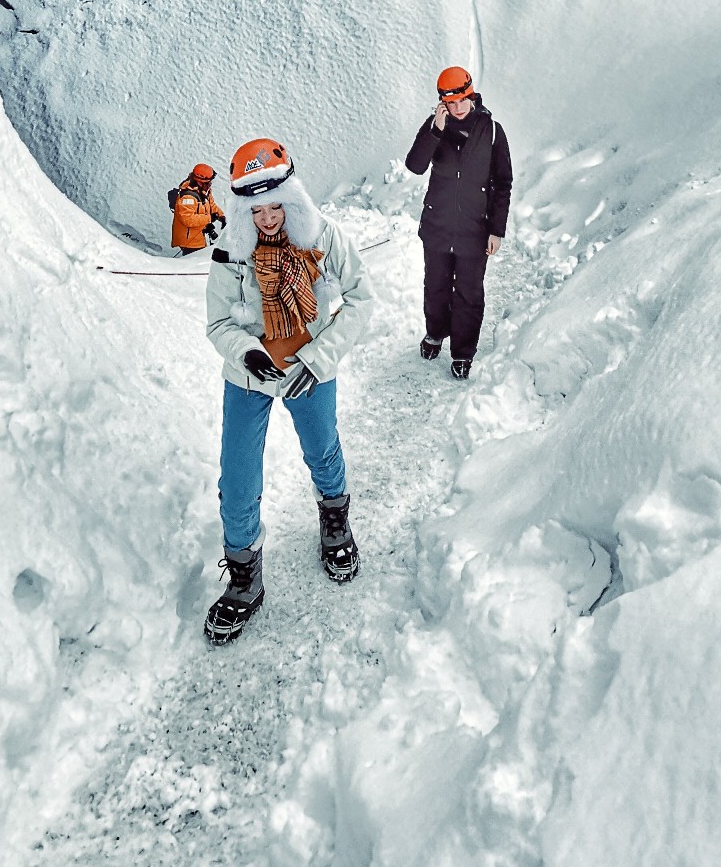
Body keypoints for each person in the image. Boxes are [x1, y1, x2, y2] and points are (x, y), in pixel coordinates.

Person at [202, 137, 374, 645]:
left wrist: (318, 360)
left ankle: (335, 520)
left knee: (322, 450)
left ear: (292, 200)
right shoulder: (230, 253)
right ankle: (243, 577)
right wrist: (244, 352)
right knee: (236, 478)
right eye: (256, 209)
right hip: (250, 378)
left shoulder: (323, 237)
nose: (269, 218)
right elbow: (217, 323)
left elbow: (362, 299)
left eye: (277, 206)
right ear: (242, 209)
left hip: (309, 370)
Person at [404, 66, 512, 380]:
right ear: (442, 104)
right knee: (435, 286)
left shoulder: (491, 130)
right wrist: (436, 130)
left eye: (462, 100)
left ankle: (463, 352)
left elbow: (503, 183)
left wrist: (496, 229)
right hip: (437, 225)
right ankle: (435, 333)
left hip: (474, 230)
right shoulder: (436, 127)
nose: (458, 108)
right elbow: (415, 165)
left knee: (468, 292)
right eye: (450, 104)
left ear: (470, 94)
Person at [168, 162, 224, 253]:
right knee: (194, 264)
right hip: (189, 240)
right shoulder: (187, 197)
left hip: (197, 236)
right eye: (208, 182)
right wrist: (209, 218)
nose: (210, 184)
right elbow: (188, 219)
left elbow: (211, 205)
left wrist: (221, 216)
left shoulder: (204, 191)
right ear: (199, 181)